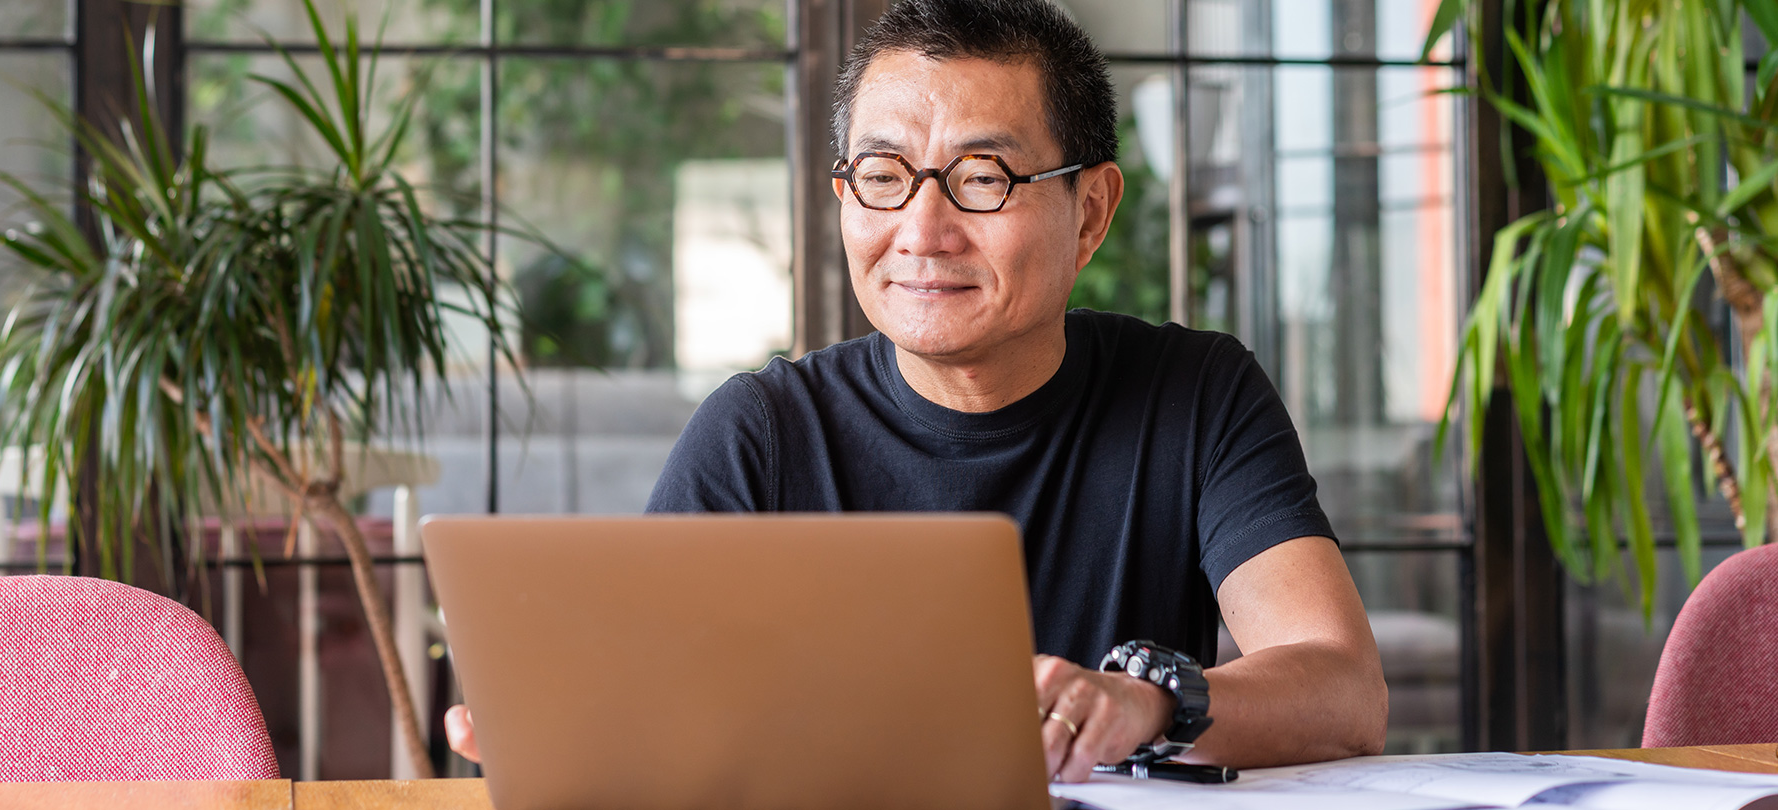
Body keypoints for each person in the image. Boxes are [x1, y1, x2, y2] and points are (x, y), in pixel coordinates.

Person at [448, 0, 1386, 781]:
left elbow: (1344, 693)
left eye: (983, 177)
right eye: (884, 176)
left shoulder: (1196, 393)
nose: (923, 229)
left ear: (1091, 211)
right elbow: (649, 712)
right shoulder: (763, 432)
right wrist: (566, 740)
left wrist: (1144, 704)